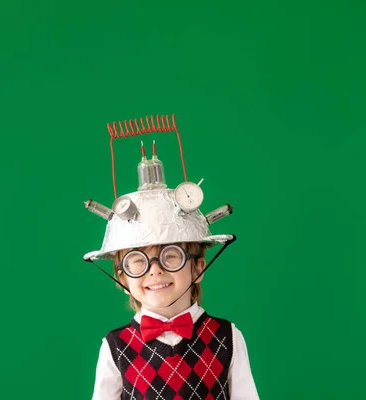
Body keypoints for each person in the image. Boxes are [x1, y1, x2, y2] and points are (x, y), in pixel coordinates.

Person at [83, 119, 260, 399]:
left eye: (171, 257)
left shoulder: (228, 337)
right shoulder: (116, 346)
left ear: (198, 267)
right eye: (138, 261)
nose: (155, 271)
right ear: (121, 276)